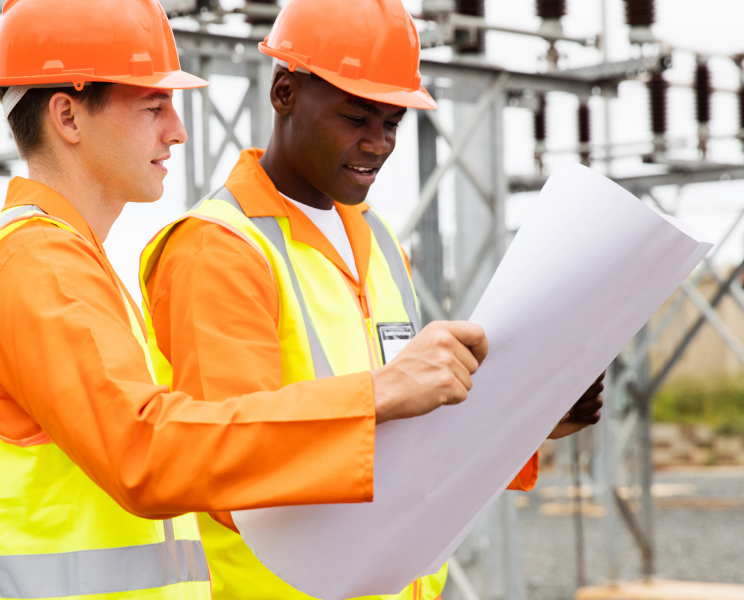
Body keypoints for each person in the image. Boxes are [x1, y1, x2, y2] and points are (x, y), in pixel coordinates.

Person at [0, 1, 492, 598]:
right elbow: (147, 452)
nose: (177, 129)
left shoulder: (71, 263)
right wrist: (378, 394)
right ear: (68, 116)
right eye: (154, 106)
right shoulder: (37, 264)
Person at [138, 0, 604, 598]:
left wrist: (526, 424)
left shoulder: (378, 240)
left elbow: (402, 437)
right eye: (356, 118)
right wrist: (380, 398)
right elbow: (231, 470)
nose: (379, 143)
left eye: (391, 123)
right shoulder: (220, 250)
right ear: (284, 93)